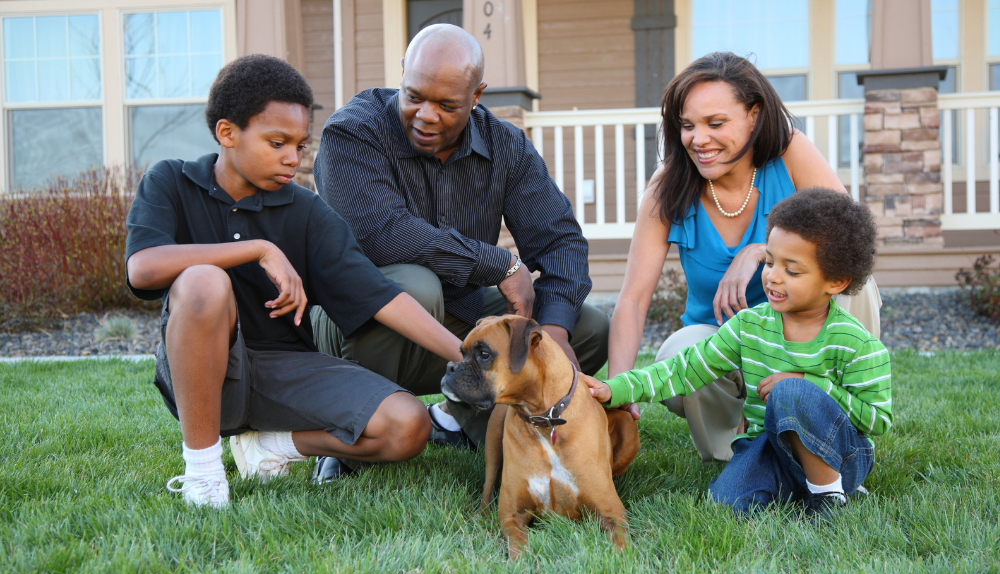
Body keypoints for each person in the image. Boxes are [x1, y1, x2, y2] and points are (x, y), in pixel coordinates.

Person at [124, 54, 463, 508]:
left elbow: (381, 298)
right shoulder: (171, 181)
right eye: (277, 142)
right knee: (203, 281)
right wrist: (259, 249)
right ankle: (203, 475)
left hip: (285, 371)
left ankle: (273, 447)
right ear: (227, 133)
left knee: (408, 426)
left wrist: (471, 358)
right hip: (205, 374)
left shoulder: (306, 211)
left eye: (300, 145)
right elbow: (142, 268)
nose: (292, 158)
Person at [309, 24, 609, 473]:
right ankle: (353, 434)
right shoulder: (353, 133)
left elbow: (560, 240)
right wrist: (500, 264)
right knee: (416, 283)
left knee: (586, 325)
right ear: (402, 74)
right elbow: (378, 232)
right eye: (413, 96)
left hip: (458, 318)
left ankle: (457, 417)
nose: (425, 115)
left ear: (477, 95)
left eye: (447, 105)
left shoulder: (505, 146)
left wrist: (556, 334)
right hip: (356, 321)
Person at [607, 52, 883, 464]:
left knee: (856, 286)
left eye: (715, 124)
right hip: (723, 348)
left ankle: (839, 430)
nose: (698, 139)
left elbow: (850, 239)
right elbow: (632, 299)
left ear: (754, 116)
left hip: (801, 340)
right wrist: (618, 393)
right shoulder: (668, 184)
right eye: (688, 125)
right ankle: (733, 453)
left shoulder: (789, 152)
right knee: (677, 348)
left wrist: (762, 251)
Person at [586, 188, 892, 517]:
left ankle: (828, 494)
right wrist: (615, 387)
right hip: (770, 448)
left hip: (839, 455)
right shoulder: (750, 326)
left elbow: (878, 419)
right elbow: (684, 368)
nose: (772, 276)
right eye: (770, 261)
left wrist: (811, 385)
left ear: (835, 282)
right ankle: (796, 485)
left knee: (791, 391)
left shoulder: (856, 342)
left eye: (792, 270)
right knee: (726, 503)